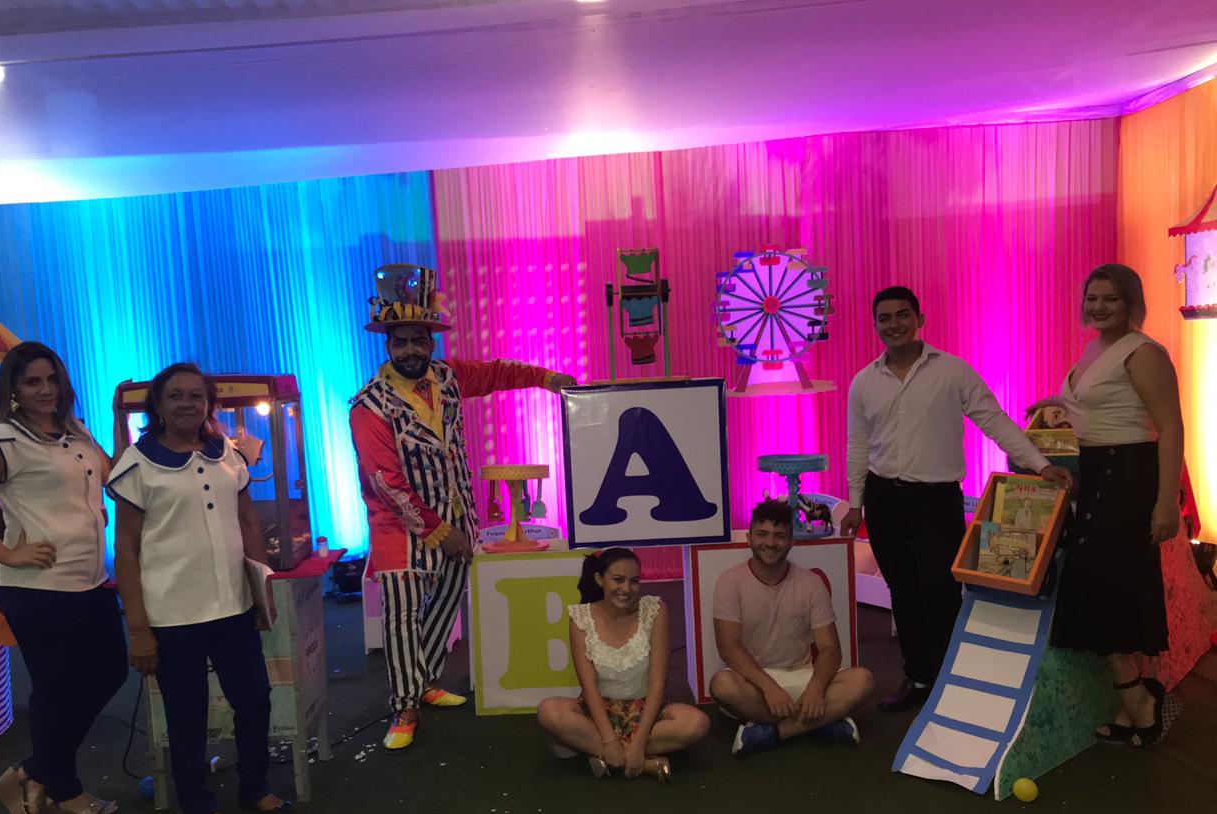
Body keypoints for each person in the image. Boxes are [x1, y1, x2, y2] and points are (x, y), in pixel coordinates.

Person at [350, 264, 576, 751]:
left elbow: (496, 372)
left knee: (447, 599)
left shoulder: (448, 378)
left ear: (431, 342)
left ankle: (426, 681)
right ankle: (404, 705)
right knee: (403, 616)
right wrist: (438, 532)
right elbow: (386, 483)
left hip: (458, 516)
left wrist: (545, 378)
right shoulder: (368, 406)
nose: (411, 350)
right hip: (400, 530)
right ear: (387, 346)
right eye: (401, 343)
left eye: (419, 340)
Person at [840, 286, 1072, 711]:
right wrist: (856, 503)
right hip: (883, 498)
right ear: (874, 325)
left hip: (936, 500)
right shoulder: (863, 382)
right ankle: (917, 676)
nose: (894, 324)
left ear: (920, 318)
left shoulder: (952, 371)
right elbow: (858, 445)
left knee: (941, 591)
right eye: (884, 318)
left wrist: (1040, 465)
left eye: (903, 315)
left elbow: (994, 421)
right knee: (902, 591)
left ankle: (947, 683)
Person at [0, 341, 126, 814]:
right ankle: (64, 789)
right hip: (36, 588)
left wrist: (119, 419)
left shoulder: (76, 431)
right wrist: (5, 553)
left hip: (89, 581)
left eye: (51, 379)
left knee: (109, 672)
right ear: (14, 390)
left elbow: (118, 479)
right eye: (32, 382)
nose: (45, 390)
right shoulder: (0, 440)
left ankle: (35, 771)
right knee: (56, 689)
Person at [109, 362, 290, 814]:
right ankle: (199, 806)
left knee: (254, 699)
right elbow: (125, 549)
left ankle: (254, 787)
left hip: (232, 607)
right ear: (158, 404)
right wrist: (138, 628)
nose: (186, 403)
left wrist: (261, 587)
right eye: (175, 395)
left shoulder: (226, 453)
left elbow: (248, 522)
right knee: (187, 716)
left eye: (195, 395)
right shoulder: (137, 464)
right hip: (173, 617)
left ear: (209, 402)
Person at [1032, 264, 1184, 747]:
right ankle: (1134, 697)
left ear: (1131, 302)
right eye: (1092, 298)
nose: (1099, 307)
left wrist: (1166, 502)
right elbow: (1097, 401)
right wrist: (1052, 402)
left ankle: (1138, 700)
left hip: (1129, 477)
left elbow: (1171, 427)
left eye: (1111, 298)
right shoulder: (1095, 348)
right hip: (1098, 475)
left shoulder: (1144, 352)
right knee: (1104, 588)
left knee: (1105, 590)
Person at [709, 500, 874, 756]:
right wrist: (769, 688)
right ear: (749, 538)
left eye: (779, 535)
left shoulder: (810, 583)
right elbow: (728, 648)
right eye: (762, 534)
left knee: (863, 680)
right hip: (754, 682)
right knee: (722, 685)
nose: (770, 542)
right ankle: (821, 723)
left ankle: (774, 732)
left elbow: (830, 648)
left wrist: (816, 689)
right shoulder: (730, 582)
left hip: (802, 675)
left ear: (791, 542)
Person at [536, 548, 709, 780]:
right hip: (598, 712)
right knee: (549, 710)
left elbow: (657, 683)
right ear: (600, 579)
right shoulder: (581, 617)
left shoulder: (655, 610)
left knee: (697, 723)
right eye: (618, 580)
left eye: (634, 581)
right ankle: (641, 763)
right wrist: (609, 740)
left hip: (646, 711)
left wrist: (639, 741)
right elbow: (589, 686)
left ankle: (597, 752)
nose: (626, 589)